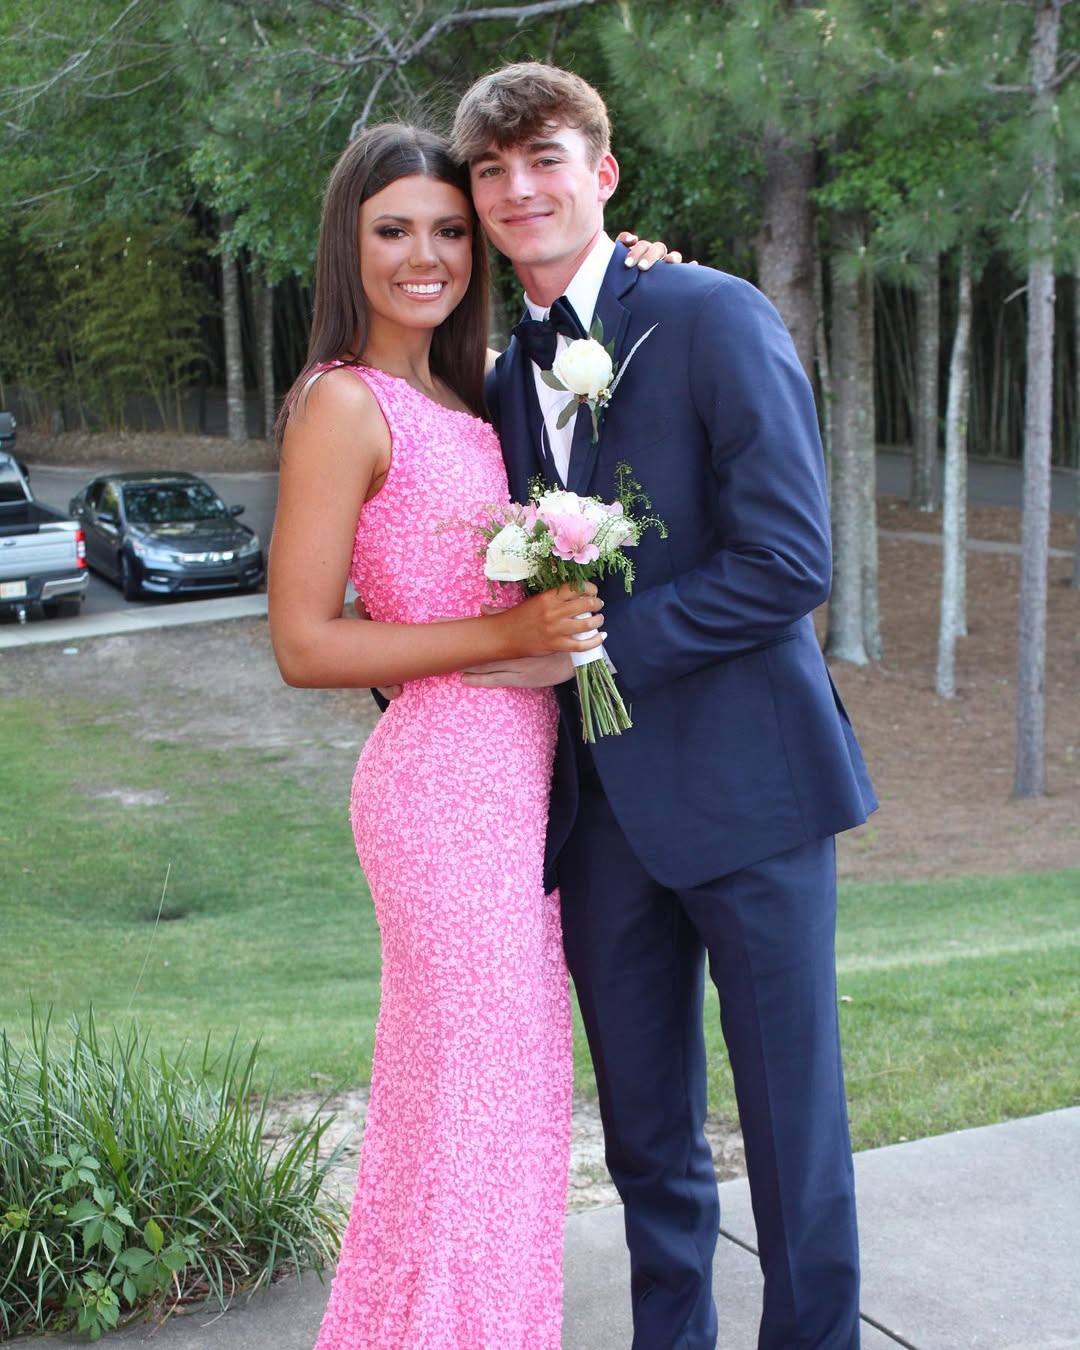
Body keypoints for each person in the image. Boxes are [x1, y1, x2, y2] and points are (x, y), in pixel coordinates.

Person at [452, 63, 878, 1349]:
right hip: (599, 820)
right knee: (645, 1140)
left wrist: (590, 654)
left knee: (792, 1134)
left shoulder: (711, 312)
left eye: (544, 160)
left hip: (752, 796)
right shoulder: (500, 380)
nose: (519, 190)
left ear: (603, 173)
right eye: (492, 171)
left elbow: (789, 561)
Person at [267, 123, 673, 1348]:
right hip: (439, 795)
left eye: (448, 229)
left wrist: (641, 272)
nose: (425, 256)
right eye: (393, 230)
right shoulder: (343, 402)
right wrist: (504, 638)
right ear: (348, 243)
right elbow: (305, 643)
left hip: (522, 794)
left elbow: (597, 342)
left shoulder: (484, 386)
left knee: (503, 1113)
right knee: (467, 1111)